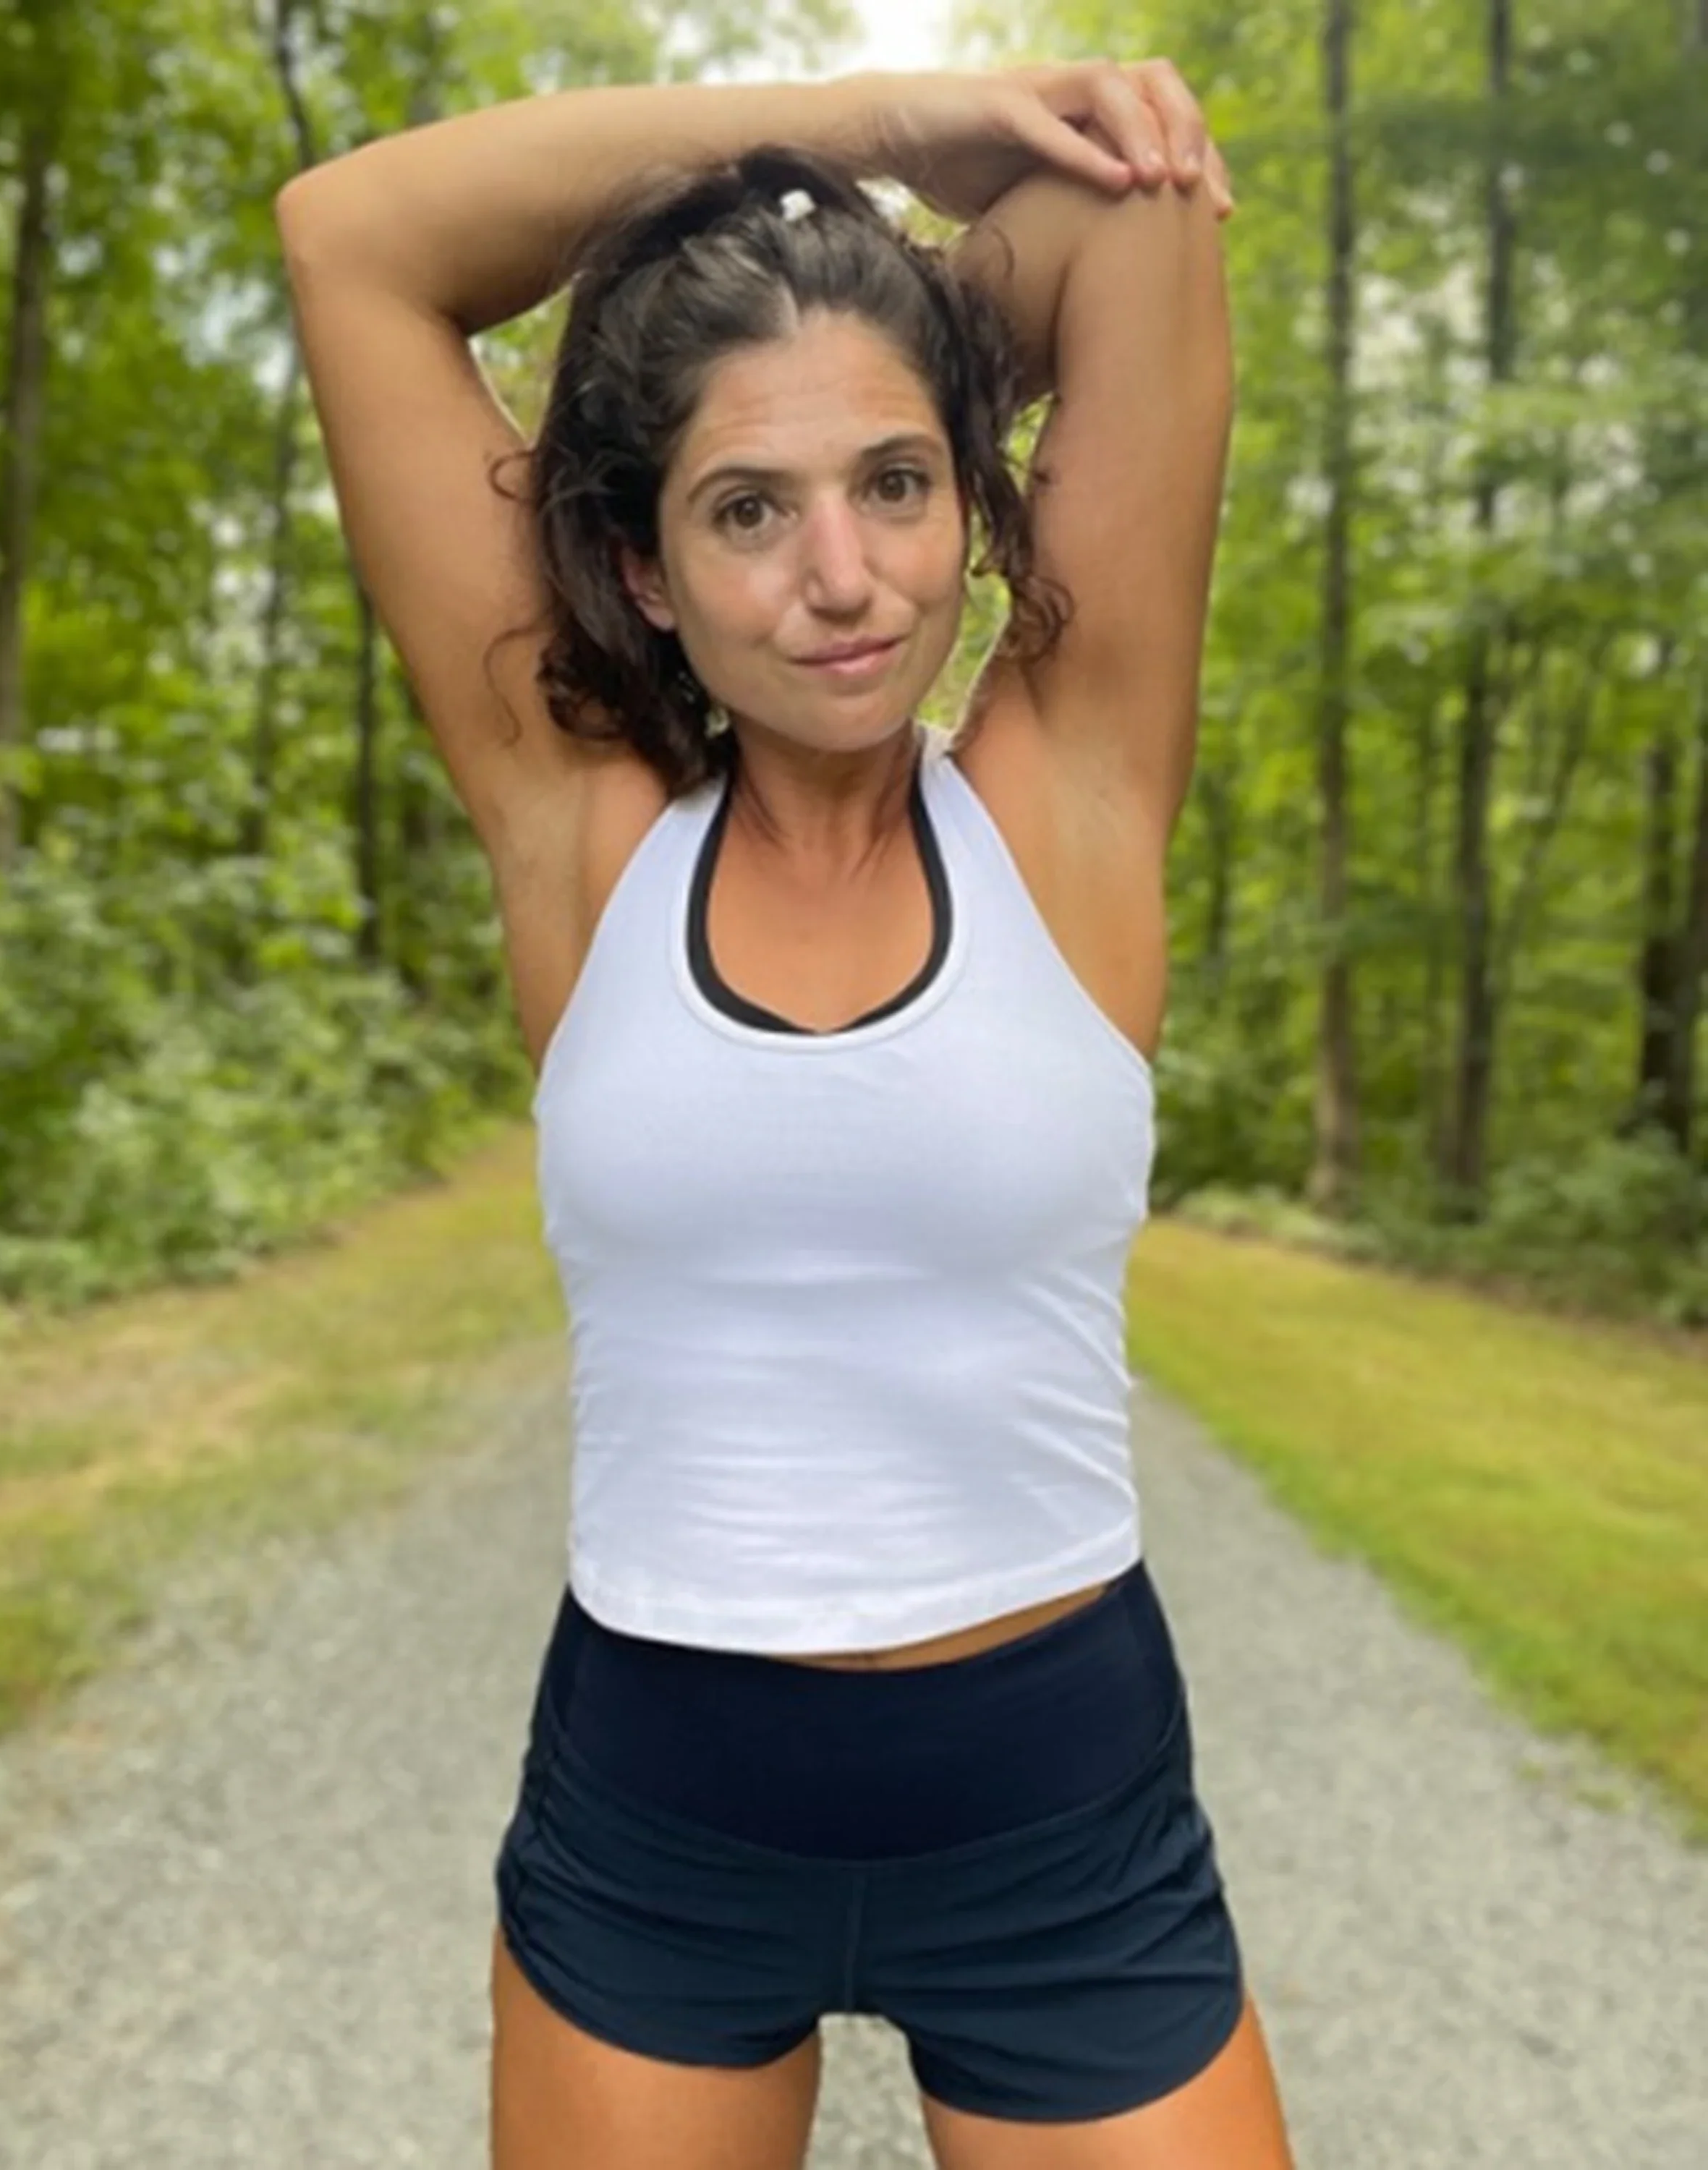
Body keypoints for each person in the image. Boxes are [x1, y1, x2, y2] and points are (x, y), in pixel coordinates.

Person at [276, 56, 1294, 2170]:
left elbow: (1143, 215)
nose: (844, 577)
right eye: (749, 509)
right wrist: (887, 123)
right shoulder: (581, 840)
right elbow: (352, 238)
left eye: (897, 484)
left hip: (1062, 1834)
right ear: (645, 570)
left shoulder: (1068, 800)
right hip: (658, 1835)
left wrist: (857, 285)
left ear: (965, 497)